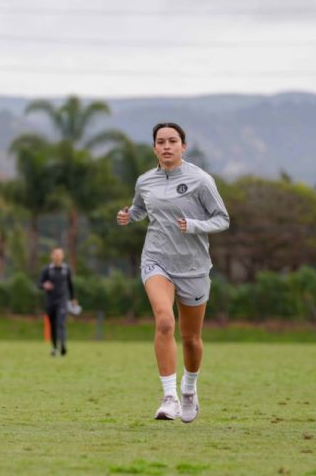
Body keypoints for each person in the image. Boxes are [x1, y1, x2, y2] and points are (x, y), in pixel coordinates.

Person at [116, 122, 229, 423]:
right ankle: (169, 398)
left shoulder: (201, 180)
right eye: (161, 142)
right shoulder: (145, 181)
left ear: (183, 146)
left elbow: (222, 219)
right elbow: (141, 209)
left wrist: (195, 226)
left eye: (172, 141)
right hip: (156, 260)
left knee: (191, 338)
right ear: (154, 147)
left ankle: (189, 388)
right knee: (164, 321)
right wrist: (129, 215)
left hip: (192, 267)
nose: (166, 146)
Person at [38, 248, 77, 357]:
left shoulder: (66, 269)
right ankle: (55, 348)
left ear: (62, 256)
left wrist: (73, 298)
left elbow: (70, 285)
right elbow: (39, 283)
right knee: (53, 325)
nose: (57, 257)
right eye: (55, 254)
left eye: (59, 254)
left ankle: (63, 345)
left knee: (61, 323)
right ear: (52, 256)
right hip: (50, 301)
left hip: (62, 300)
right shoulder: (47, 269)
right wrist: (44, 285)